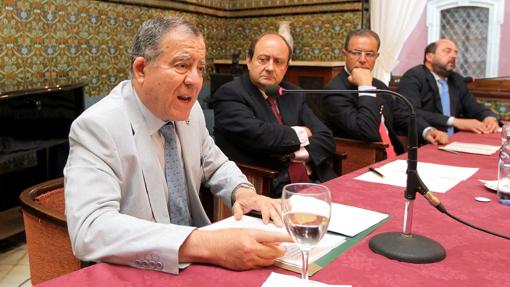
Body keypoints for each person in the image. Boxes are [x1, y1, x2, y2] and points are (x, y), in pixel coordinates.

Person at [64, 17, 291, 275]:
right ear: (141, 69)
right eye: (182, 65)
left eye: (200, 68)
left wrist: (243, 192)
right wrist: (207, 244)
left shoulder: (189, 110)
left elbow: (214, 163)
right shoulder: (97, 127)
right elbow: (90, 229)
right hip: (141, 271)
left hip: (197, 265)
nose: (195, 81)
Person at [212, 33, 336, 196]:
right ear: (249, 61)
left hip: (317, 180)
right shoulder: (229, 94)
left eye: (278, 62)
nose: (270, 67)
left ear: (286, 67)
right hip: (268, 188)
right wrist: (303, 133)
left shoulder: (293, 93)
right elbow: (263, 137)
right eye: (263, 59)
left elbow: (326, 138)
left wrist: (291, 154)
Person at [321, 29, 448, 157]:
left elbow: (400, 116)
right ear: (345, 54)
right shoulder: (335, 91)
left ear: (376, 57)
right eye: (356, 53)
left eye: (369, 54)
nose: (362, 59)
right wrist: (365, 86)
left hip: (394, 155)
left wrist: (427, 131)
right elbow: (367, 132)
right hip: (363, 161)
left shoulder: (378, 85)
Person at [397, 39, 498, 135]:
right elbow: (410, 112)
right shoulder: (413, 77)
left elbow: (473, 107)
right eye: (447, 51)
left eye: (455, 53)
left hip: (456, 139)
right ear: (429, 57)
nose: (453, 56)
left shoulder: (456, 79)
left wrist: (488, 117)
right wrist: (454, 121)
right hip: (426, 140)